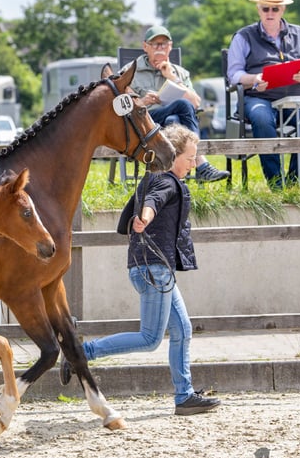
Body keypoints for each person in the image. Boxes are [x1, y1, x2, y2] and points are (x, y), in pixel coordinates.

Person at [62, 124, 221, 416]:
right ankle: (81, 353)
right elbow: (153, 203)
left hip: (153, 269)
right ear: (173, 156)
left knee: (183, 329)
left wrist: (140, 219)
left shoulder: (150, 180)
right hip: (154, 270)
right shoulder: (165, 181)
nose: (192, 163)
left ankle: (184, 396)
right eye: (189, 157)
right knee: (150, 339)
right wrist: (146, 218)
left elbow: (125, 221)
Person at [227, 0, 300, 188]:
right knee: (261, 117)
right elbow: (234, 74)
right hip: (258, 96)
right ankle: (277, 185)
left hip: (294, 99)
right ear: (258, 9)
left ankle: (294, 184)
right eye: (265, 8)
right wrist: (253, 79)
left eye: (275, 9)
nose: (270, 13)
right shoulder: (243, 36)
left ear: (283, 10)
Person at [126, 25, 230, 183]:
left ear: (170, 47)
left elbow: (195, 103)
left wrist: (172, 78)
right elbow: (121, 106)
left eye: (164, 44)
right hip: (145, 122)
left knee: (173, 120)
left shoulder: (180, 72)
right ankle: (201, 164)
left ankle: (171, 180)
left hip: (171, 125)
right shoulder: (130, 71)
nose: (160, 48)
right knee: (181, 104)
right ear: (145, 46)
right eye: (155, 44)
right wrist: (142, 102)